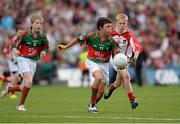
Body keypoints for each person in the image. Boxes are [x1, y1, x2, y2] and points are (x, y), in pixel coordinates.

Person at [57, 17, 120, 113]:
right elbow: (77, 39)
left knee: (101, 93)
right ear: (100, 28)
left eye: (111, 27)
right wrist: (66, 47)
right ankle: (92, 105)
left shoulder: (112, 41)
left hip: (105, 65)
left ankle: (92, 104)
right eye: (108, 27)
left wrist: (121, 60)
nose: (110, 29)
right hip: (92, 61)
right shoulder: (91, 36)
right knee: (98, 78)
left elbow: (116, 56)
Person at [1, 14, 49, 111]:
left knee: (24, 87)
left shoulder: (43, 37)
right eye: (37, 23)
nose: (39, 25)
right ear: (32, 24)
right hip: (23, 59)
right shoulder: (24, 35)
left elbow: (46, 48)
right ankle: (20, 105)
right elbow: (13, 45)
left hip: (33, 62)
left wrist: (44, 52)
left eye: (40, 23)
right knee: (29, 80)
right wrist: (15, 50)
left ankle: (10, 88)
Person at [103, 13, 142, 109]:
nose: (122, 25)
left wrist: (135, 58)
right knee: (127, 76)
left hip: (126, 60)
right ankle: (132, 101)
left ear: (127, 24)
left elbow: (137, 47)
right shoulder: (110, 34)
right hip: (115, 59)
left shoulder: (129, 35)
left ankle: (110, 90)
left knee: (118, 83)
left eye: (124, 23)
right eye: (120, 23)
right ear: (116, 23)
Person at [1, 30, 24, 99]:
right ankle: (11, 93)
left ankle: (3, 79)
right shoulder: (13, 41)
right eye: (20, 33)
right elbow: (5, 51)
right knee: (16, 76)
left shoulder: (22, 41)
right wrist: (11, 58)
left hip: (18, 61)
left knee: (19, 78)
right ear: (17, 33)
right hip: (12, 61)